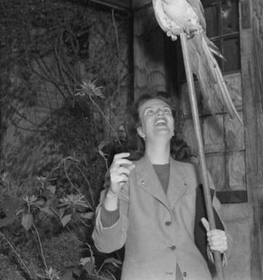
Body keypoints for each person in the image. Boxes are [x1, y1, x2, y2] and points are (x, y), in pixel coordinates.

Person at [92, 92, 228, 280]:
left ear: (173, 129)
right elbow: (107, 244)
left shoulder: (198, 174)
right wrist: (112, 194)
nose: (160, 114)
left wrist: (219, 245)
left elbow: (216, 235)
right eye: (150, 112)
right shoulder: (123, 174)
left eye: (166, 111)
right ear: (140, 131)